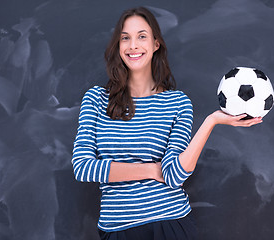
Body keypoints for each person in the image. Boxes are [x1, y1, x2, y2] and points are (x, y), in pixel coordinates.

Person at [71, 6, 262, 240]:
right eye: (125, 38)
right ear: (118, 46)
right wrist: (151, 170)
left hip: (171, 224)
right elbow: (83, 167)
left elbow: (173, 175)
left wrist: (210, 122)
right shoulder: (96, 99)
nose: (133, 46)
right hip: (118, 229)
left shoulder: (177, 103)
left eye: (142, 36)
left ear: (156, 44)